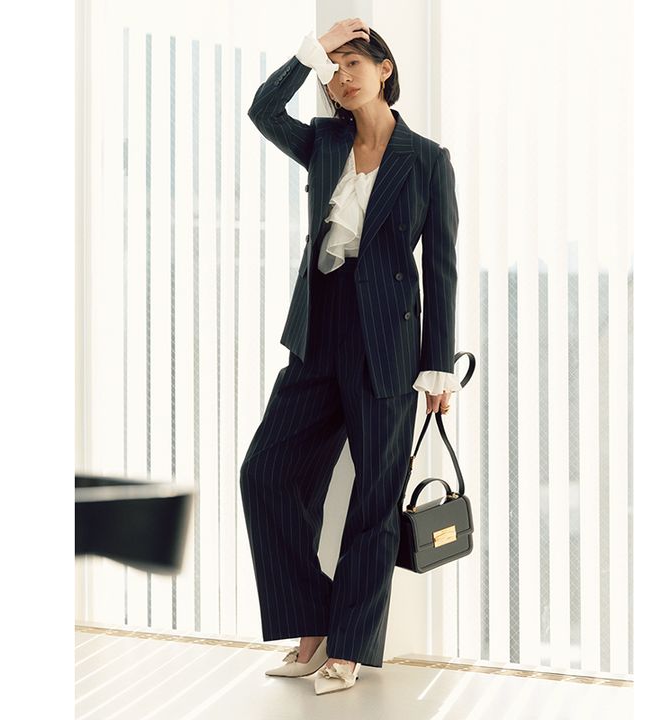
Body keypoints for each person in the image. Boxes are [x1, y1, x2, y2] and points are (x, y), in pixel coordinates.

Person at [240, 18, 460, 695]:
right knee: (265, 474)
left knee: (374, 502)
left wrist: (438, 367)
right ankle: (312, 624)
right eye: (332, 68)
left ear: (384, 69)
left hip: (387, 345)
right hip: (317, 332)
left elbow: (441, 268)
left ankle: (351, 647)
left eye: (353, 63)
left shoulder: (427, 159)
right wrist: (311, 48)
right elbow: (262, 110)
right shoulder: (324, 141)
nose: (342, 77)